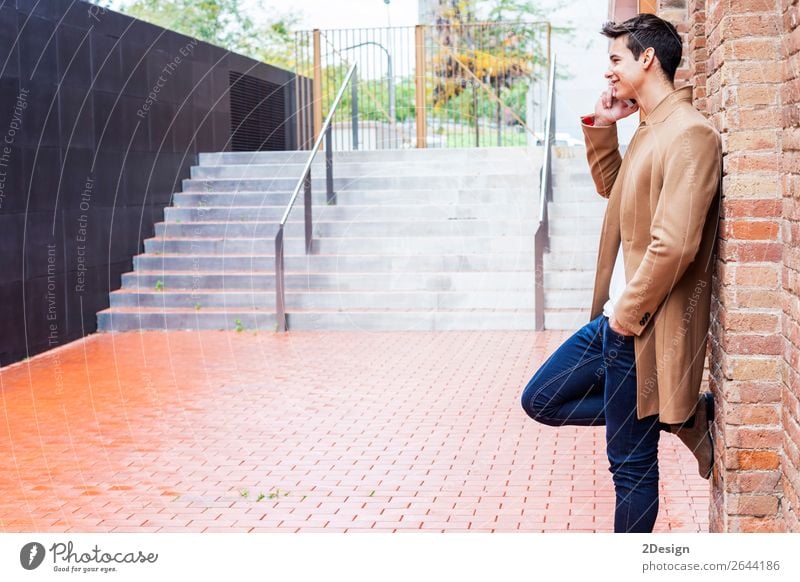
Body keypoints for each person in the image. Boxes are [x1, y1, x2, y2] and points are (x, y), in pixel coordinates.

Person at [520, 13, 722, 533]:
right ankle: (680, 416)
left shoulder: (689, 134)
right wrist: (605, 129)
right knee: (542, 399)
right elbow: (618, 195)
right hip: (616, 323)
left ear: (647, 58)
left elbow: (676, 243)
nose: (609, 73)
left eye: (616, 59)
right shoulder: (651, 128)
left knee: (630, 470)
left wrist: (627, 316)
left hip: (638, 327)